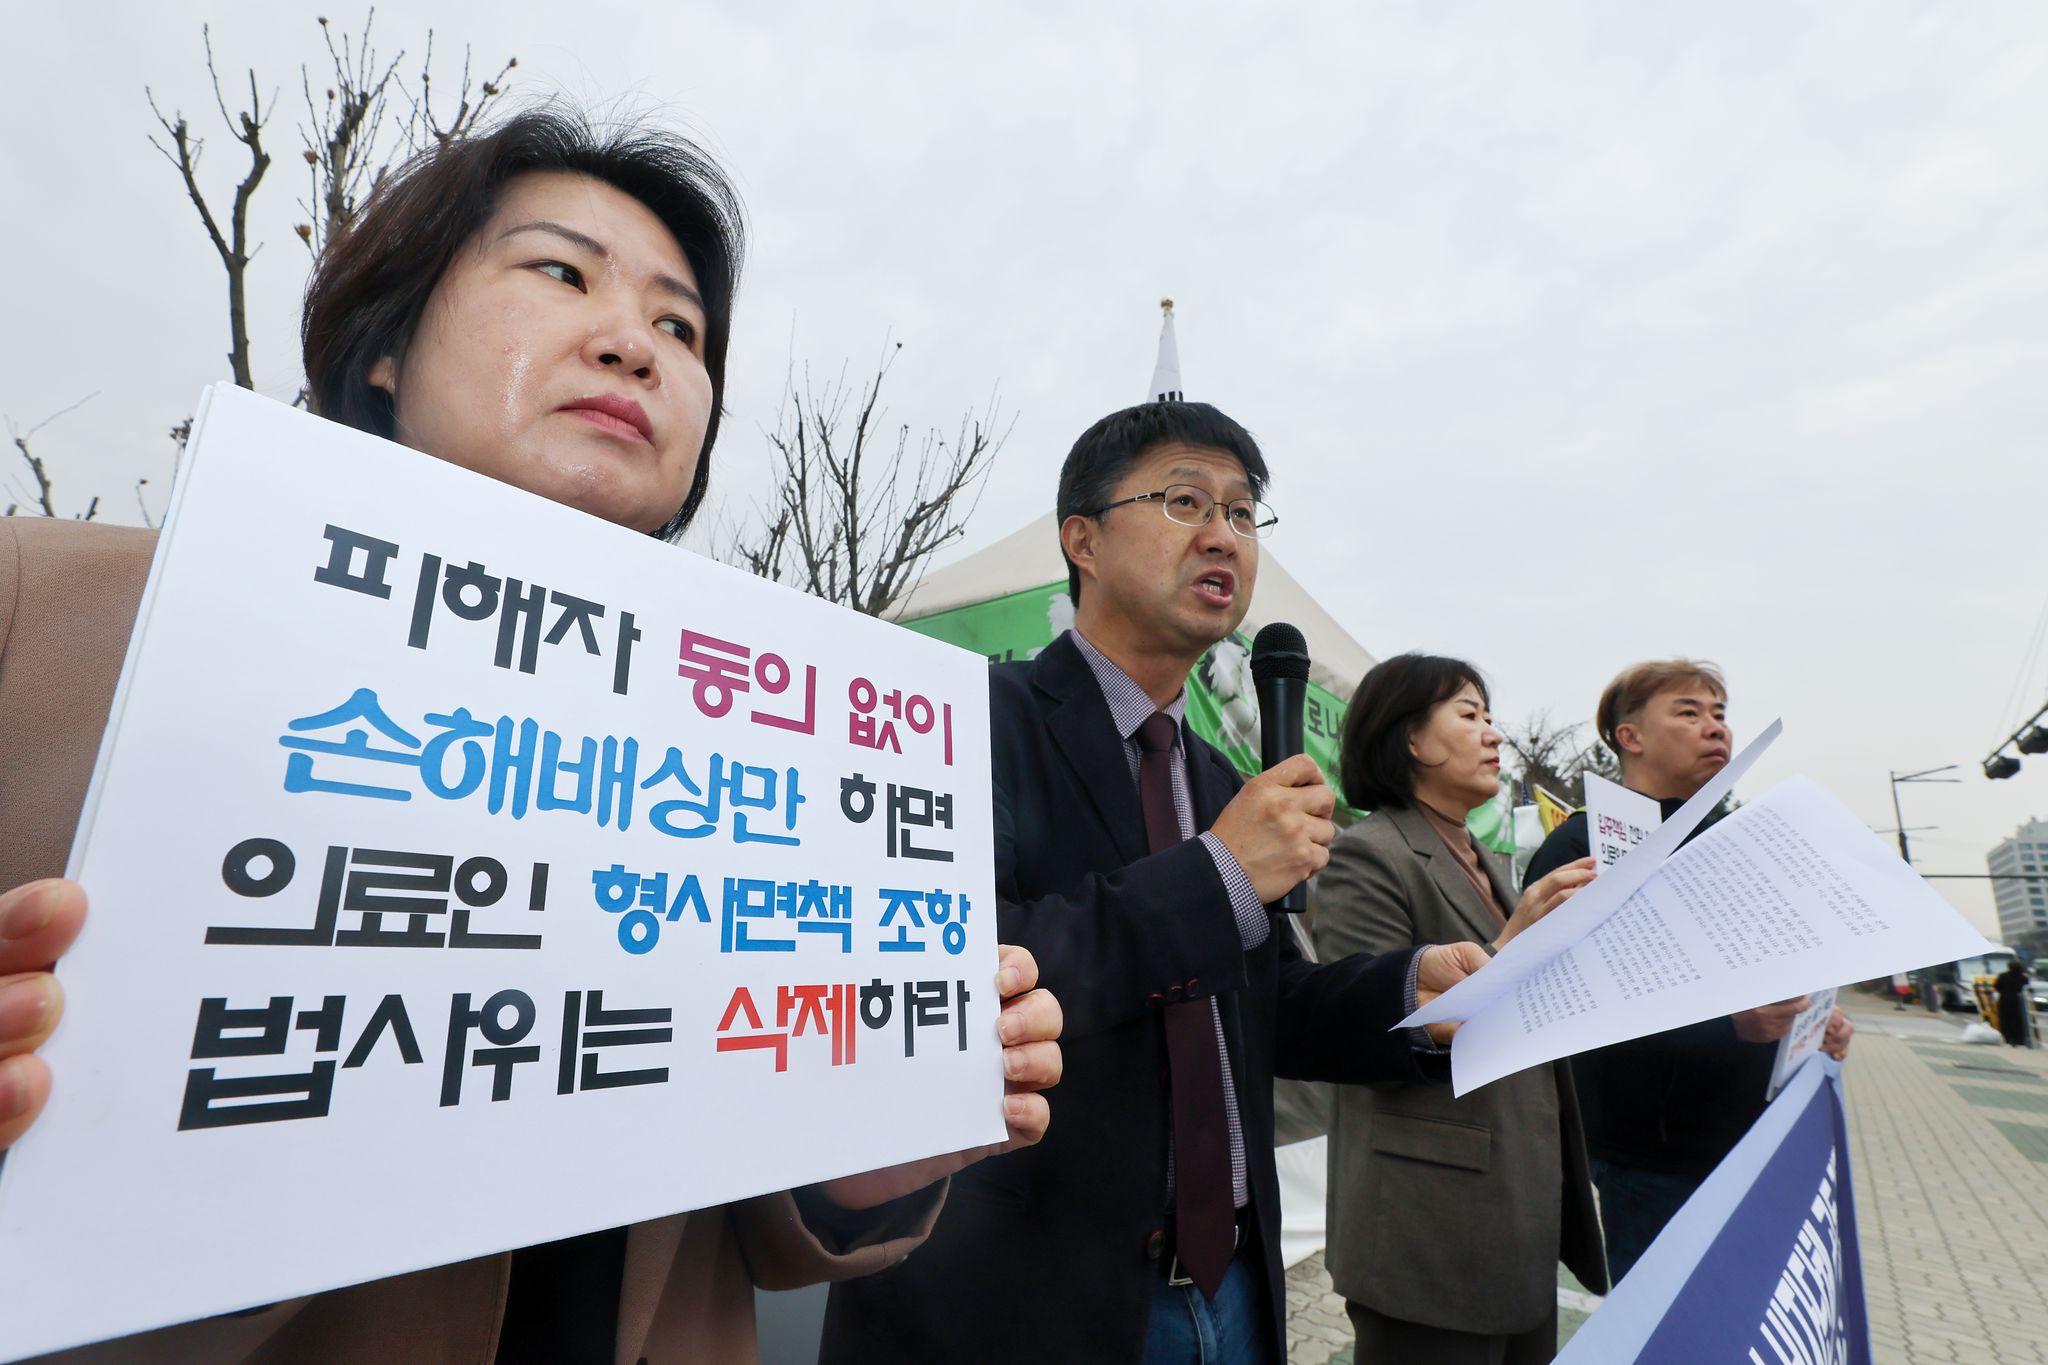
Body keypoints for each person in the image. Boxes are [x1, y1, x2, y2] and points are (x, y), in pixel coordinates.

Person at [0, 107, 1062, 1365]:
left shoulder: (773, 754)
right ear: (387, 344)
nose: (633, 345)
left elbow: (732, 1203)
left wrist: (868, 1148)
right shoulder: (42, 606)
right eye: (560, 272)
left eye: (682, 327)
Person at [820, 401, 1493, 1365]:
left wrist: (1405, 994)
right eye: (1185, 500)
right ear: (1081, 540)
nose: (1224, 533)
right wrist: (1219, 872)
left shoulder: (1223, 783)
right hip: (1020, 1298)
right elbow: (947, 972)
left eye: (1244, 512)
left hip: (1235, 1291)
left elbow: (1254, 1006)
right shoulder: (960, 720)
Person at [1314, 653, 1603, 1363]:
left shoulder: (1486, 861)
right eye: (1469, 714)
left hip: (1521, 1216)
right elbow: (1368, 1035)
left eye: (1491, 716)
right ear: (1411, 737)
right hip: (1427, 1232)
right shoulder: (1369, 854)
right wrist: (1512, 939)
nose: (1494, 734)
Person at [1523, 659, 1851, 1282]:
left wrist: (1813, 1022)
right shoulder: (1582, 849)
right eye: (1689, 712)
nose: (1716, 728)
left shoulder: (1742, 841)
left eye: (1721, 714)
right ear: (1630, 736)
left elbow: (1776, 967)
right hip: (1653, 1160)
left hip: (1760, 1135)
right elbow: (1564, 1009)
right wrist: (1729, 1027)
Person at [1995, 960, 2033, 1048]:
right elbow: (2027, 989)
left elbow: (1997, 986)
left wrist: (2004, 992)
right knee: (2018, 1021)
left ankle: (2007, 1038)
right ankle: (2018, 1039)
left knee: (2005, 1020)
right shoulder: (2023, 978)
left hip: (2005, 1001)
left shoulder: (2003, 976)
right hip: (2019, 1003)